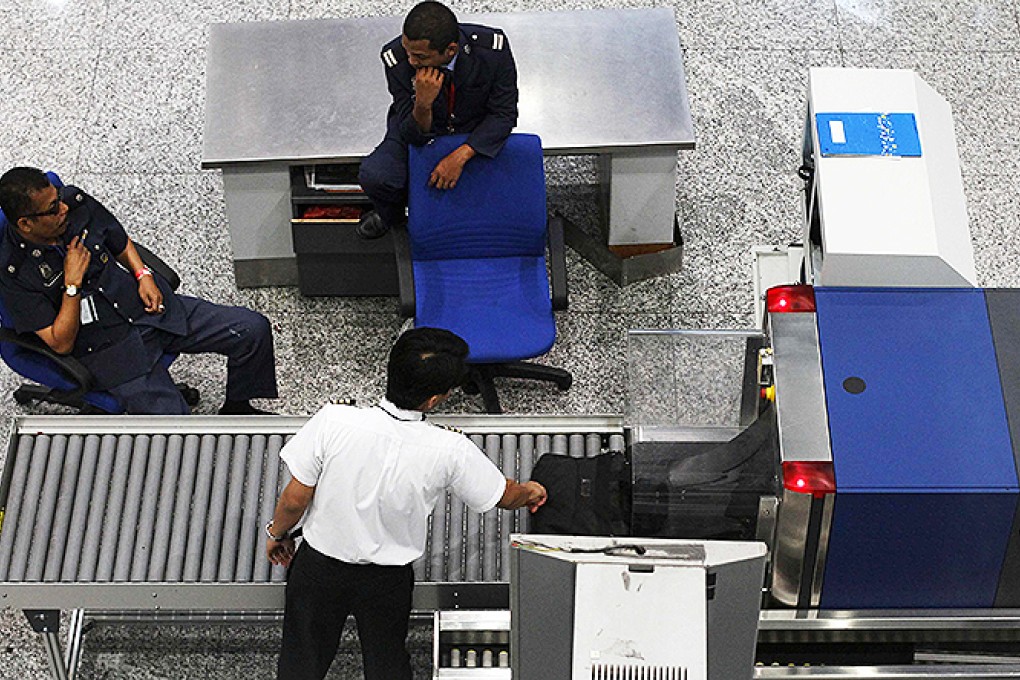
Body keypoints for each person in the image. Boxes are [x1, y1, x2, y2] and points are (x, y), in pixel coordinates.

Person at [267, 327, 546, 680]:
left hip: (320, 568)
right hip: (386, 580)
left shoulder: (334, 420)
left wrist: (277, 533)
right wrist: (531, 492)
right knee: (387, 660)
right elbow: (503, 496)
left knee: (301, 660)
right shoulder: (449, 449)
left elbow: (295, 498)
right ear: (433, 400)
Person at [0, 167, 279, 415]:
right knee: (179, 430)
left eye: (58, 198)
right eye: (52, 209)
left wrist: (142, 274)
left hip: (144, 308)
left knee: (251, 330)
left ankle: (238, 407)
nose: (62, 209)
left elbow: (119, 240)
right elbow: (60, 343)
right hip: (108, 350)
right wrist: (72, 284)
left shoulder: (74, 205)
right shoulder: (14, 272)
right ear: (26, 223)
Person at [356, 0, 518, 239]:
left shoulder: (491, 50)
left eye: (420, 56)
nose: (411, 61)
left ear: (450, 51)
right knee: (376, 176)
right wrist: (422, 104)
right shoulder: (396, 58)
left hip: (472, 130)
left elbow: (504, 114)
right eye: (407, 50)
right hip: (419, 125)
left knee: (490, 190)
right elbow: (411, 133)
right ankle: (393, 218)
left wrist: (461, 154)